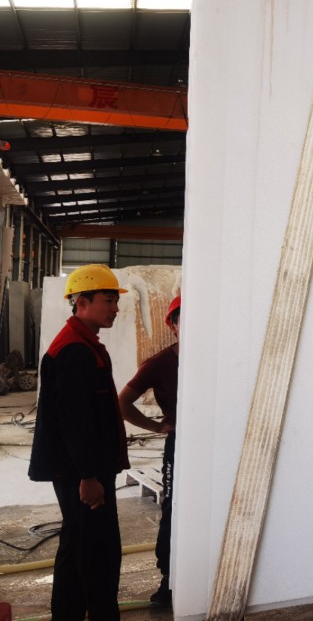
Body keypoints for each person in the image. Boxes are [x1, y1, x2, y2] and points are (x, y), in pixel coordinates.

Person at [29, 264, 129, 621]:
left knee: (76, 548)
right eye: (108, 300)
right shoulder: (74, 351)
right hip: (82, 473)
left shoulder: (84, 344)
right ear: (81, 302)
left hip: (83, 469)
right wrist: (88, 476)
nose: (115, 308)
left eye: (115, 301)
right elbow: (75, 421)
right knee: (98, 554)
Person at [118, 294, 180, 607]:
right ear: (173, 326)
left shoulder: (217, 358)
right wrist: (156, 427)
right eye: (183, 320)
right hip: (180, 446)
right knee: (174, 508)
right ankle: (169, 579)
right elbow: (122, 402)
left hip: (214, 446)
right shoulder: (160, 363)